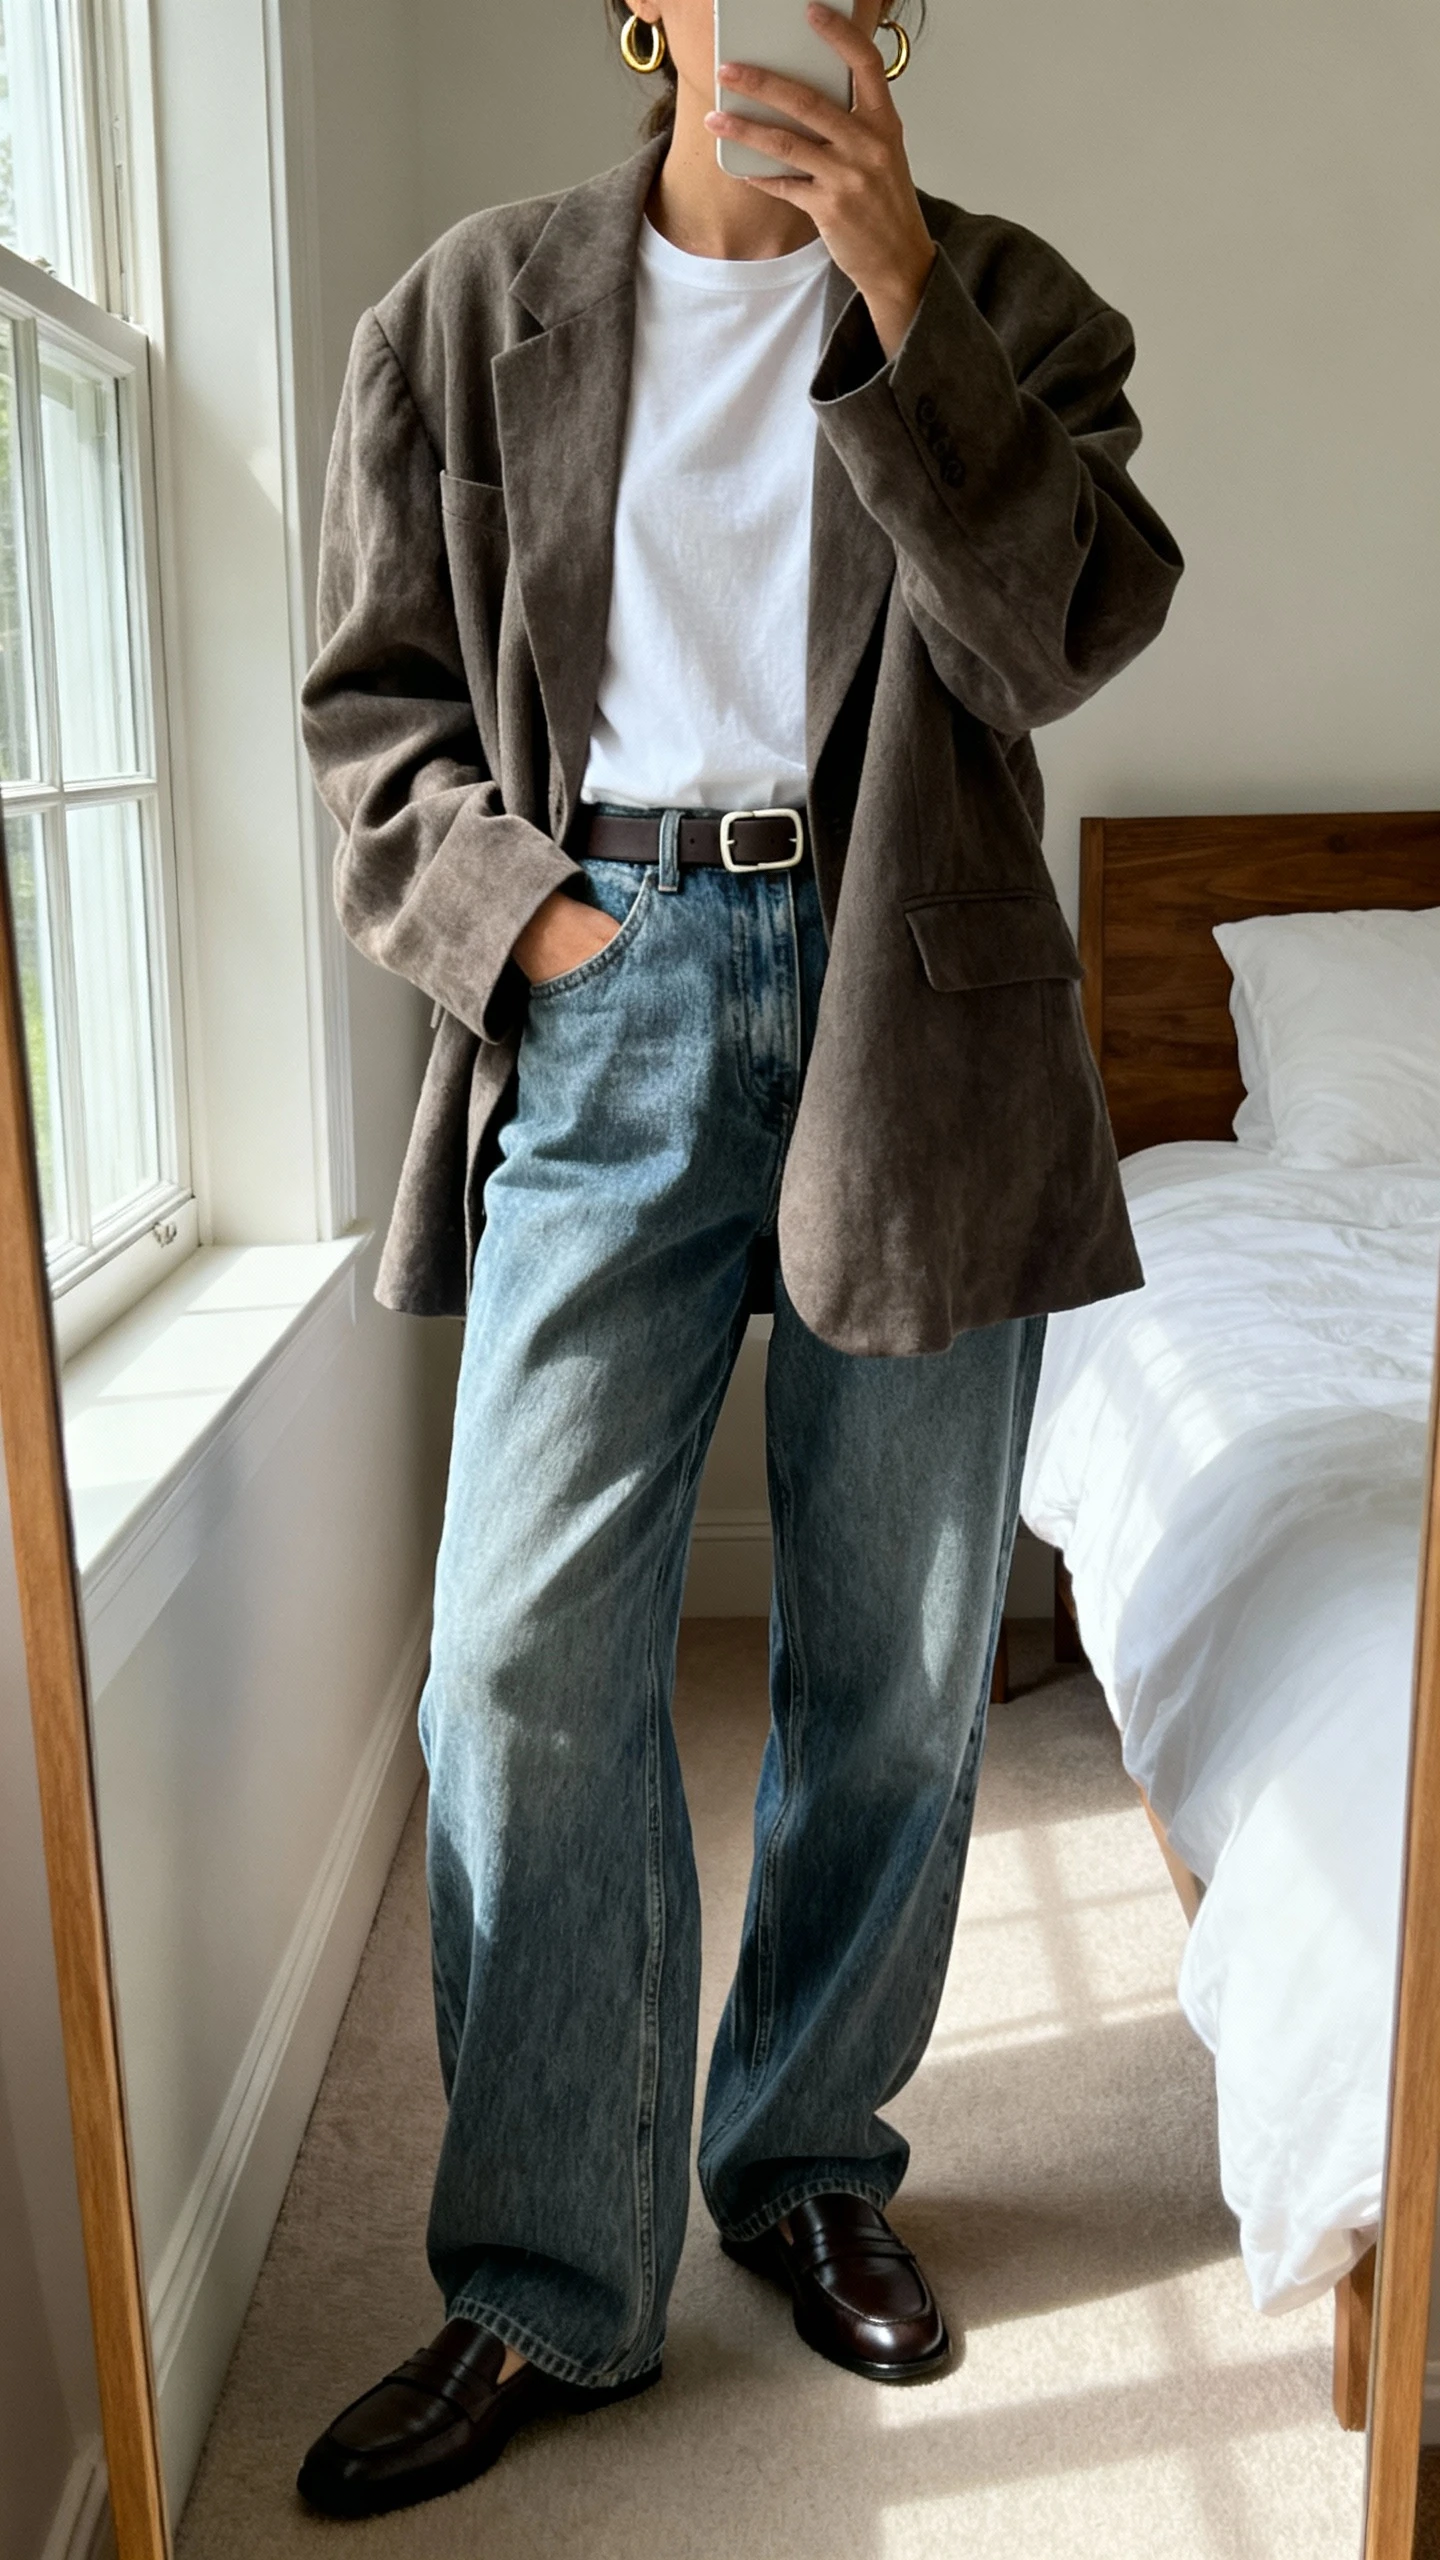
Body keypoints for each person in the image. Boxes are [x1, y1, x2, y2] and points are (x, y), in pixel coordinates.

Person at [294, 0, 1182, 2519]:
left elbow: (1051, 644)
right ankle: (546, 2280)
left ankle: (804, 2163)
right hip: (611, 996)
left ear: (890, 28)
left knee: (897, 1658)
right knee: (516, 1665)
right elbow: (369, 720)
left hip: (920, 1005)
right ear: (647, 18)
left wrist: (900, 301)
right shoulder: (466, 314)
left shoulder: (1013, 309)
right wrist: (539, 934)